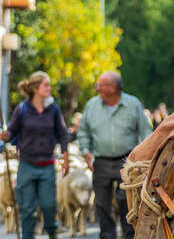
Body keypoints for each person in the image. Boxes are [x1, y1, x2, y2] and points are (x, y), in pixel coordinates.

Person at [77, 71, 152, 239]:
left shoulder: (133, 104)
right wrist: (85, 151)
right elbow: (83, 132)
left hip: (127, 161)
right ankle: (107, 236)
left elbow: (146, 131)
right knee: (102, 204)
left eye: (100, 85)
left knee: (126, 201)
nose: (97, 88)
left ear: (112, 87)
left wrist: (141, 157)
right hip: (101, 161)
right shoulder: (91, 105)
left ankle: (129, 235)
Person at [1, 71, 69, 239]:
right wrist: (5, 135)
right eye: (46, 85)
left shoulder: (53, 110)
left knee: (48, 206)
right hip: (26, 165)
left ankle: (52, 233)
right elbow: (12, 131)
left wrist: (65, 158)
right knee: (27, 209)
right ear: (35, 88)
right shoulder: (22, 109)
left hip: (47, 165)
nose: (49, 88)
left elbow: (62, 134)